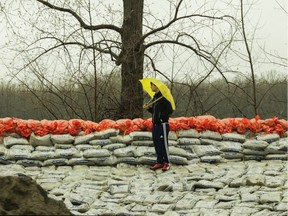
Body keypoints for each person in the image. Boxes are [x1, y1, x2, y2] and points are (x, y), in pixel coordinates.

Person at [143, 82, 173, 171]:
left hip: (162, 124)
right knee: (157, 143)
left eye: (152, 85)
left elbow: (170, 110)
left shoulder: (163, 98)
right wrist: (148, 108)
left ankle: (166, 162)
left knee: (163, 143)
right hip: (155, 124)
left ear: (157, 86)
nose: (150, 86)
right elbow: (155, 112)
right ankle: (159, 162)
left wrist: (160, 117)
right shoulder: (155, 98)